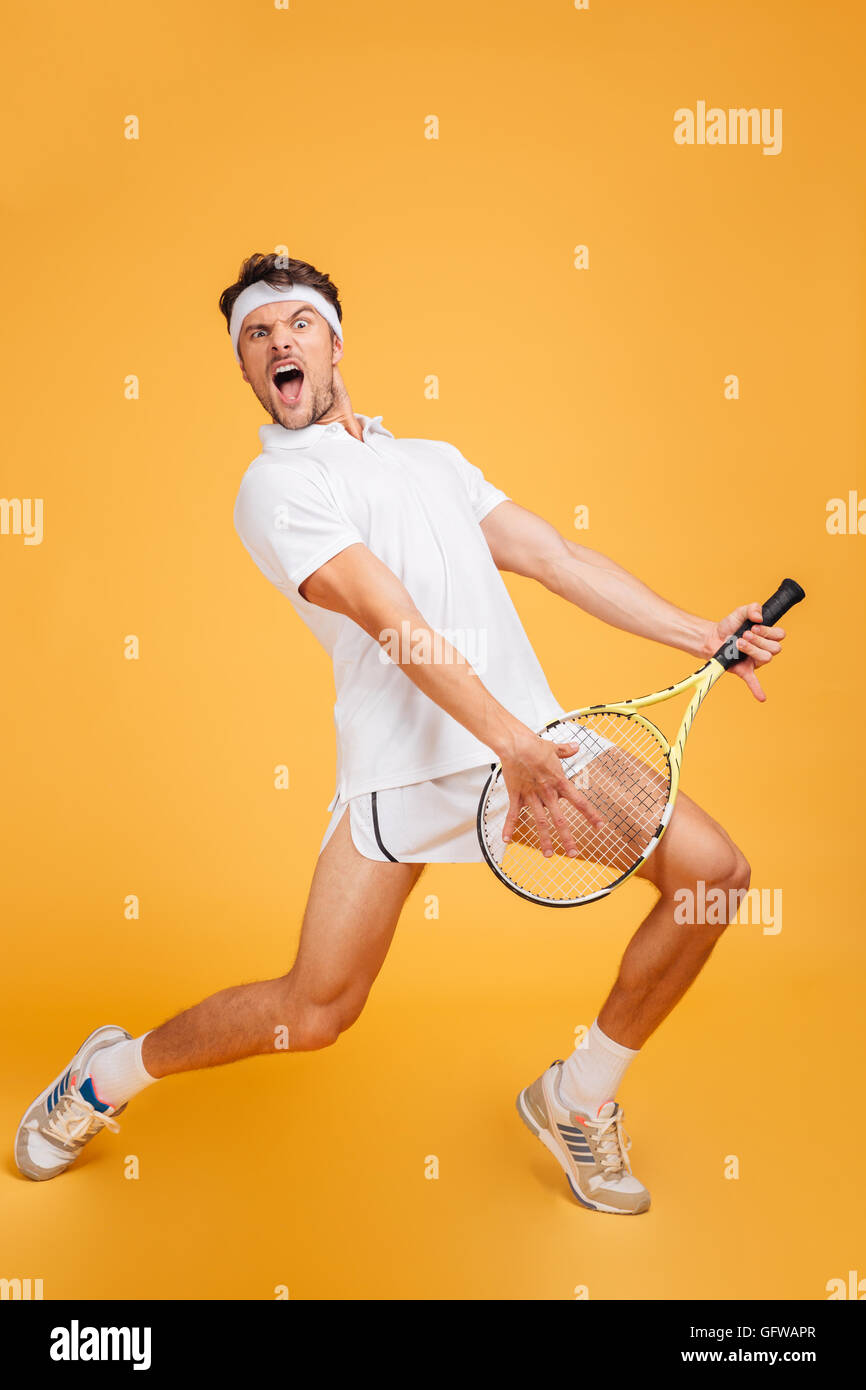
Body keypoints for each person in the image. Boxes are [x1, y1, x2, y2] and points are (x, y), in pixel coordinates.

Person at [15, 253, 787, 1214]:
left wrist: (701, 632)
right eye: (257, 336)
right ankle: (106, 1075)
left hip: (529, 749)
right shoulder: (275, 488)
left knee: (715, 877)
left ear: (335, 343)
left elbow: (554, 555)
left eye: (297, 324)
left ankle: (576, 1098)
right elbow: (394, 622)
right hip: (412, 775)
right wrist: (510, 738)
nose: (277, 343)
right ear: (246, 371)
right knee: (317, 1010)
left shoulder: (433, 461)